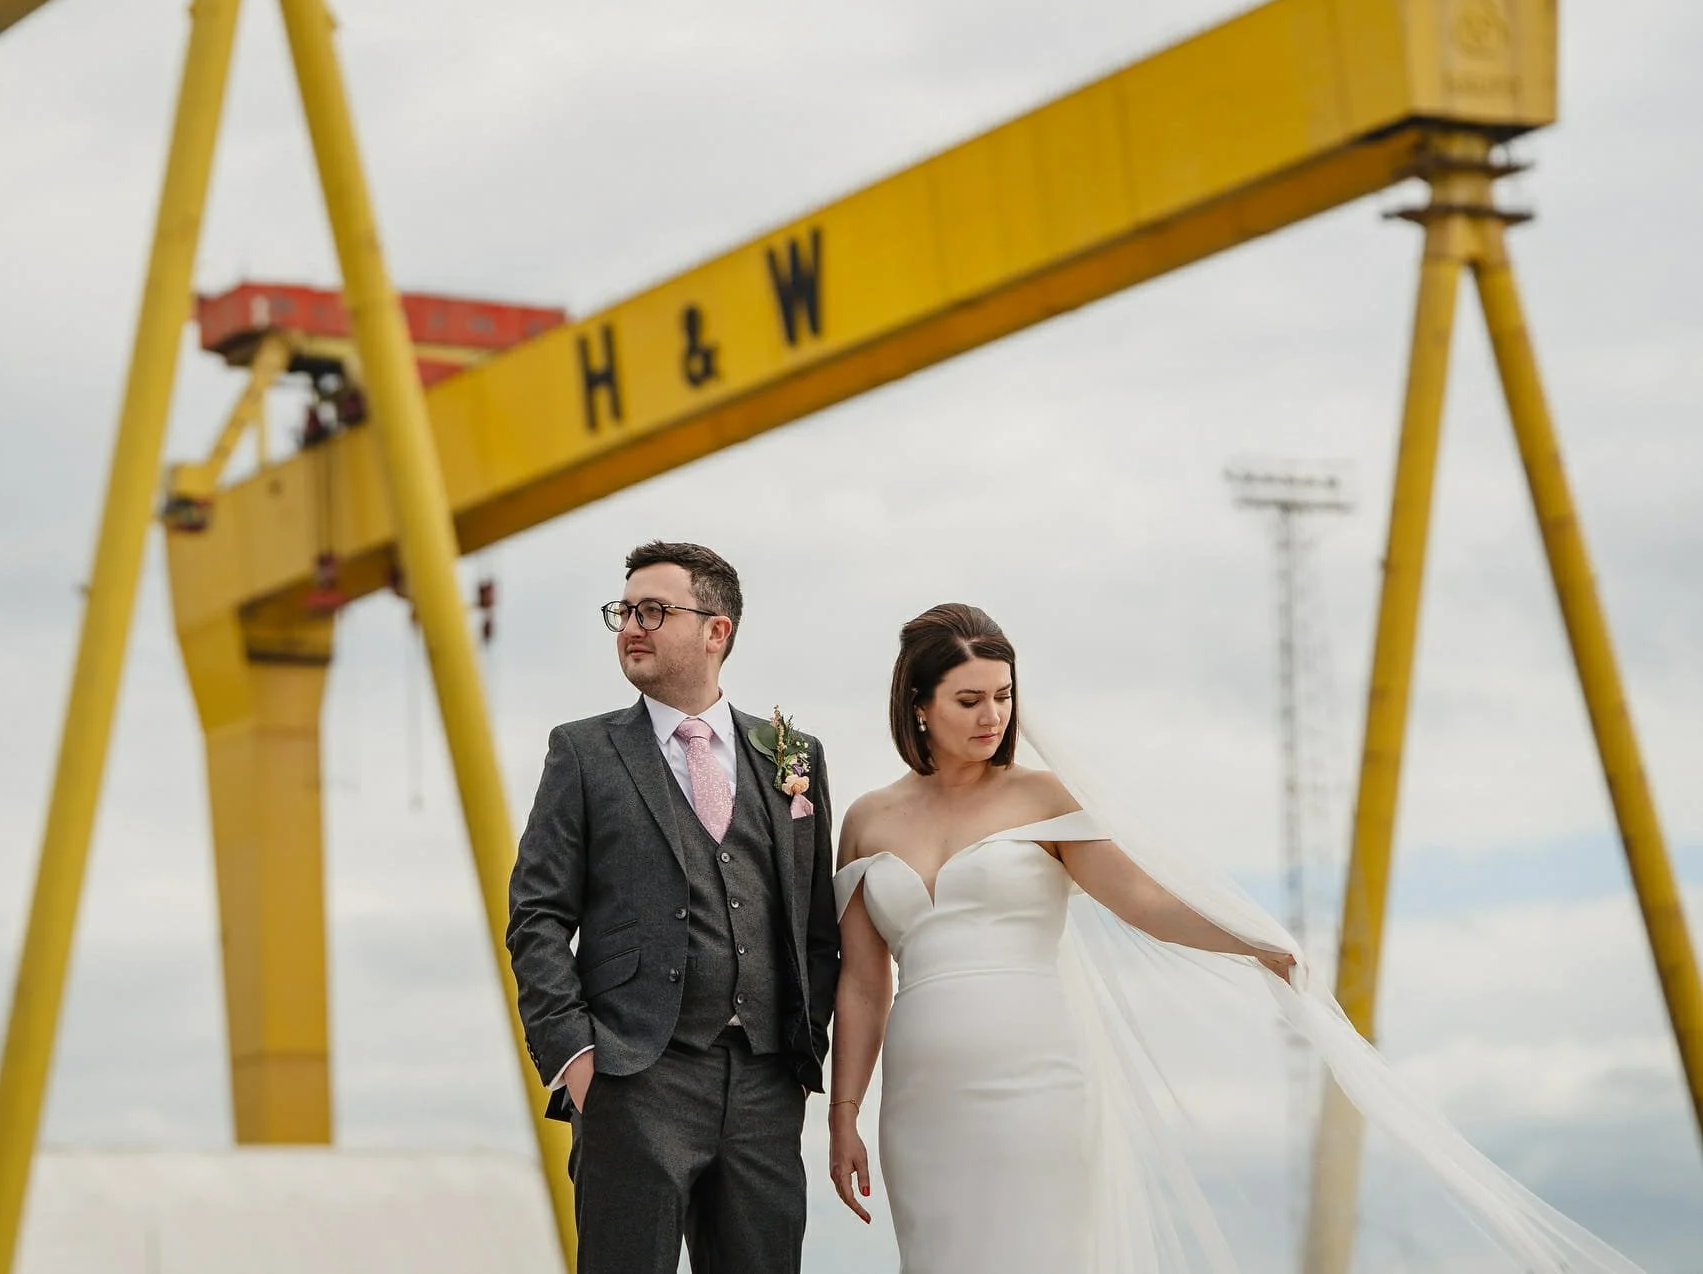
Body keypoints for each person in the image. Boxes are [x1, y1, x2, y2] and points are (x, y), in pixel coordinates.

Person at [826, 601, 1648, 1274]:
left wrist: (1254, 940)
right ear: (919, 706)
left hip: (1038, 1081)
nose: (993, 716)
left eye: (1003, 696)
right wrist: (845, 1116)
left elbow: (1143, 900)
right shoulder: (868, 819)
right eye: (969, 700)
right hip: (923, 1100)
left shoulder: (1042, 795)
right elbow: (865, 985)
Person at [506, 540, 838, 1274]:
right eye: (624, 611)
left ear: (716, 631)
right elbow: (536, 914)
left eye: (653, 610)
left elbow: (816, 925)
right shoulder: (585, 752)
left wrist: (798, 1045)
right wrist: (579, 1057)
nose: (631, 625)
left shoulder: (793, 756)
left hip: (763, 1088)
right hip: (632, 1080)